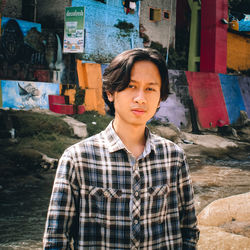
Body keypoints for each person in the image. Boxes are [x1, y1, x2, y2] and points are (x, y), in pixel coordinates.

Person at [43, 48, 199, 249]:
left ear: (160, 98)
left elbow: (188, 229)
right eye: (131, 86)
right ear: (110, 92)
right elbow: (56, 239)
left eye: (151, 89)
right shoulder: (77, 159)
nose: (140, 98)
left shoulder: (173, 157)